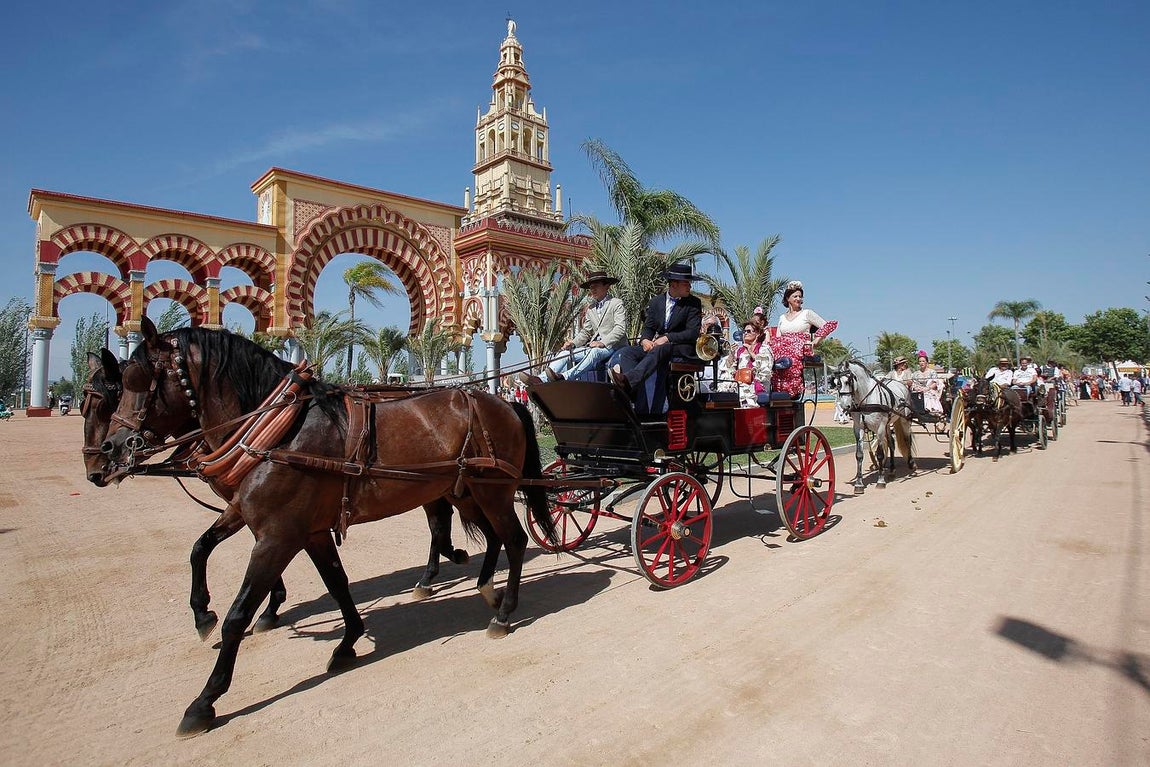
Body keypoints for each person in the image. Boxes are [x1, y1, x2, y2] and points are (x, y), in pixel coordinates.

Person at [610, 262, 703, 398]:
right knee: (626, 352)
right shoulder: (656, 302)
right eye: (686, 283)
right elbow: (649, 327)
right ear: (674, 284)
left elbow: (692, 333)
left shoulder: (693, 303)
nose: (690, 286)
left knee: (660, 348)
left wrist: (667, 338)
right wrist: (645, 340)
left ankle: (628, 381)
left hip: (681, 348)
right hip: (658, 348)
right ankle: (632, 392)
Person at [524, 270, 627, 384]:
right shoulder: (591, 308)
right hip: (593, 347)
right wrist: (572, 343)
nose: (593, 290)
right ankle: (541, 379)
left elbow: (620, 328)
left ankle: (565, 377)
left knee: (595, 352)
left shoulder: (616, 303)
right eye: (591, 287)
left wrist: (603, 342)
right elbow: (586, 332)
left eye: (596, 286)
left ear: (606, 286)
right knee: (564, 353)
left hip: (613, 346)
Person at [768, 280, 838, 398]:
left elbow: (827, 326)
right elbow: (779, 337)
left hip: (800, 347)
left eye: (800, 296)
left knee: (791, 356)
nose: (798, 299)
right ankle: (776, 388)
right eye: (795, 296)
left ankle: (793, 389)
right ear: (787, 298)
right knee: (772, 354)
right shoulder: (782, 317)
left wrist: (815, 342)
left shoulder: (807, 313)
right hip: (783, 346)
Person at [730, 319, 773, 407]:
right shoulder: (739, 351)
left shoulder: (764, 349)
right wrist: (731, 354)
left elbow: (765, 370)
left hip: (756, 384)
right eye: (744, 331)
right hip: (739, 384)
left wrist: (751, 352)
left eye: (749, 331)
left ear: (757, 334)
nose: (745, 333)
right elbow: (730, 367)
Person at [910, 351, 945, 415]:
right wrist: (918, 389)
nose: (921, 363)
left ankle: (929, 409)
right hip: (918, 391)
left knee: (926, 396)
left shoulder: (932, 372)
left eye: (923, 361)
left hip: (930, 390)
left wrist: (927, 389)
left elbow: (935, 383)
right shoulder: (915, 373)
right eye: (920, 361)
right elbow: (913, 384)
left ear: (926, 362)